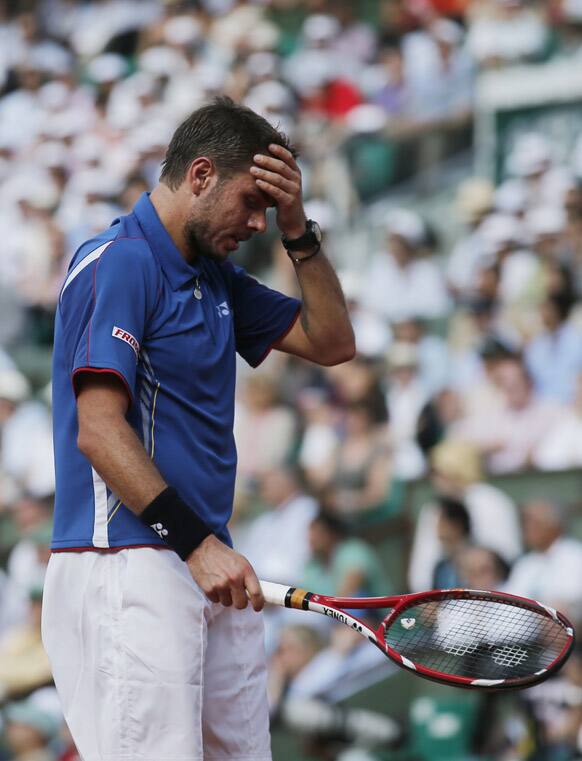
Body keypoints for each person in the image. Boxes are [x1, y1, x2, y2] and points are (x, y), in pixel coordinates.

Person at [41, 97, 355, 761]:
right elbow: (98, 430)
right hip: (127, 561)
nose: (257, 222)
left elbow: (332, 341)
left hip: (205, 564)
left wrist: (300, 229)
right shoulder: (120, 261)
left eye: (269, 210)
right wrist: (194, 545)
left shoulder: (216, 276)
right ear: (202, 175)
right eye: (251, 201)